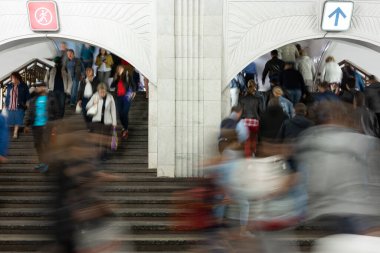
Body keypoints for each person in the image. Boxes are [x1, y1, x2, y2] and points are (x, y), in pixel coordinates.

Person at [295, 101, 380, 235]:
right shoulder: (361, 141)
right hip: (356, 213)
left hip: (325, 213)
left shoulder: (309, 140)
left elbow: (311, 183)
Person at [24, 82, 60, 172]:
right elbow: (29, 112)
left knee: (46, 144)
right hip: (36, 126)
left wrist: (55, 125)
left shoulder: (51, 99)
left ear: (44, 88)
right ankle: (42, 162)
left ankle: (47, 163)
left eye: (39, 87)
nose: (37, 88)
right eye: (36, 87)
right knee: (37, 145)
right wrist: (26, 124)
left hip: (47, 125)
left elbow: (56, 113)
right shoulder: (33, 100)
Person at [86, 83, 117, 161]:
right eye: (100, 92)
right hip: (96, 121)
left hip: (107, 122)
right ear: (98, 91)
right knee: (97, 139)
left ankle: (104, 155)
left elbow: (113, 110)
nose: (102, 94)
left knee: (105, 140)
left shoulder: (110, 97)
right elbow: (87, 106)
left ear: (106, 91)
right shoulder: (95, 96)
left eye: (103, 92)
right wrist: (94, 104)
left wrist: (114, 123)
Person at [111, 65, 136, 138]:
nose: (119, 69)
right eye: (118, 68)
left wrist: (134, 91)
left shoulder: (127, 75)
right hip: (118, 97)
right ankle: (125, 128)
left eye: (120, 68)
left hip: (126, 97)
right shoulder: (117, 77)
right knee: (120, 113)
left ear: (123, 69)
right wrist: (115, 79)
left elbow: (133, 84)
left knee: (125, 112)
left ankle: (125, 129)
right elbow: (112, 86)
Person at [239, 80, 263, 156]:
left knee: (247, 140)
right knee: (254, 139)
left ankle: (247, 156)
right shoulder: (258, 99)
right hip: (254, 122)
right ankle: (253, 153)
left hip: (244, 121)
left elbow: (239, 111)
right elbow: (261, 111)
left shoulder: (242, 99)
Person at [5, 72, 30, 139]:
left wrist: (27, 103)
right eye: (11, 78)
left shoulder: (24, 86)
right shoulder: (10, 86)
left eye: (12, 78)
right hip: (10, 105)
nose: (11, 79)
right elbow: (7, 96)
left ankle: (15, 133)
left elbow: (27, 96)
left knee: (18, 119)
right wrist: (5, 104)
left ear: (17, 78)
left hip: (19, 105)